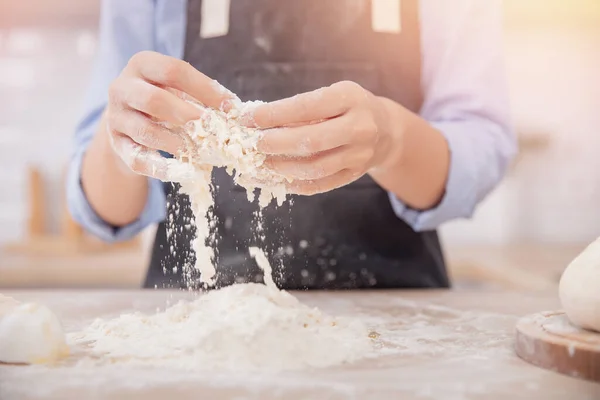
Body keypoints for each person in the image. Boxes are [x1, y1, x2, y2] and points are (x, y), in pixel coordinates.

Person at [67, 0, 516, 290]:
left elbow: (480, 143)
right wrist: (126, 130)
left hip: (394, 323)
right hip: (195, 325)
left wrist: (392, 139)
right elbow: (104, 211)